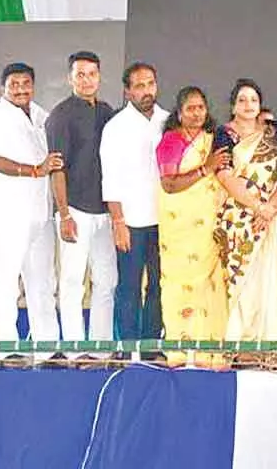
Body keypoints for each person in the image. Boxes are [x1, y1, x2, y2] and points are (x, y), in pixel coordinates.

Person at [0, 63, 62, 346]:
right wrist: (35, 170)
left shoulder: (42, 116)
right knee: (6, 282)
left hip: (41, 214)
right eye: (14, 84)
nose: (21, 88)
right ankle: (6, 349)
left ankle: (47, 348)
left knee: (43, 283)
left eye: (26, 83)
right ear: (3, 88)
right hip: (8, 215)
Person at [46, 51, 117, 347]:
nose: (86, 80)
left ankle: (100, 349)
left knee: (106, 281)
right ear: (70, 78)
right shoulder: (61, 115)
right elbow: (56, 169)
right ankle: (75, 349)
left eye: (91, 74)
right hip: (74, 210)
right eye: (80, 74)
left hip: (106, 212)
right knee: (73, 282)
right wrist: (64, 215)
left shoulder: (107, 112)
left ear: (99, 76)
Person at [156, 86, 230, 367]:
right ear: (179, 113)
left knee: (211, 283)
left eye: (201, 107)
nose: (197, 113)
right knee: (180, 284)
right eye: (191, 108)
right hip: (179, 230)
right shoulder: (171, 141)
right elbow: (169, 184)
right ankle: (180, 350)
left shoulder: (212, 140)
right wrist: (204, 169)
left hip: (207, 228)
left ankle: (210, 351)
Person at [214, 79, 277, 341]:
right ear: (233, 105)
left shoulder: (273, 132)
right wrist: (257, 206)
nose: (248, 105)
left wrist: (271, 208)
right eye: (242, 100)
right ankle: (236, 341)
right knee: (238, 280)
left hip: (269, 216)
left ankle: (265, 344)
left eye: (253, 100)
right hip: (237, 217)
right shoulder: (224, 134)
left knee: (266, 279)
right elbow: (224, 175)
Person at [100, 62, 168, 344]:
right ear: (127, 92)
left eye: (150, 84)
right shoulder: (116, 127)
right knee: (128, 286)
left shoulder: (168, 120)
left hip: (165, 219)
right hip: (131, 221)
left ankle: (151, 345)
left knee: (159, 285)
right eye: (139, 86)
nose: (146, 91)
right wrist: (118, 222)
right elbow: (110, 177)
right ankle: (127, 348)